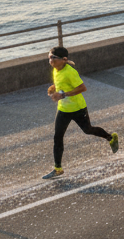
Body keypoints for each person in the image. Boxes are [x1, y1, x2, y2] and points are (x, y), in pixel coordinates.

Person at [44, 46, 118, 179]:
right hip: (63, 110)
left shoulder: (70, 72)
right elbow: (62, 83)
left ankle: (110, 138)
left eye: (53, 58)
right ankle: (58, 168)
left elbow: (82, 88)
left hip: (78, 108)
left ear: (63, 59)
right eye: (49, 57)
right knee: (57, 137)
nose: (50, 60)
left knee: (88, 130)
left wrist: (62, 95)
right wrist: (54, 88)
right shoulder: (56, 70)